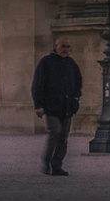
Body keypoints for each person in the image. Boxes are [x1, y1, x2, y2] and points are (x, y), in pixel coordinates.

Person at [32, 37, 84, 175]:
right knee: (55, 132)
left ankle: (57, 165)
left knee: (63, 138)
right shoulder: (46, 62)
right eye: (63, 46)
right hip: (51, 106)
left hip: (67, 107)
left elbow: (78, 82)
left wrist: (75, 98)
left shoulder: (71, 63)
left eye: (67, 46)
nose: (65, 49)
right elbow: (38, 84)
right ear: (56, 46)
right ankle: (47, 162)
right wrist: (38, 105)